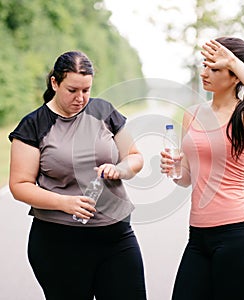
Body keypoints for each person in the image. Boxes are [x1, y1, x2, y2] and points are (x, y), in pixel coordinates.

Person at [9, 50, 147, 300]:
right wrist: (64, 202)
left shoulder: (103, 111)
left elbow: (135, 156)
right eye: (72, 90)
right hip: (58, 245)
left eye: (86, 90)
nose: (81, 98)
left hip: (116, 237)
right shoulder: (33, 126)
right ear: (54, 83)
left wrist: (120, 169)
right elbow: (19, 185)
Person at [160, 37, 244, 300]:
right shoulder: (191, 114)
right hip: (198, 238)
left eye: (214, 68)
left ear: (236, 75)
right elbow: (188, 179)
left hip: (238, 237)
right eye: (205, 65)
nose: (205, 73)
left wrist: (233, 61)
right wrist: (177, 168)